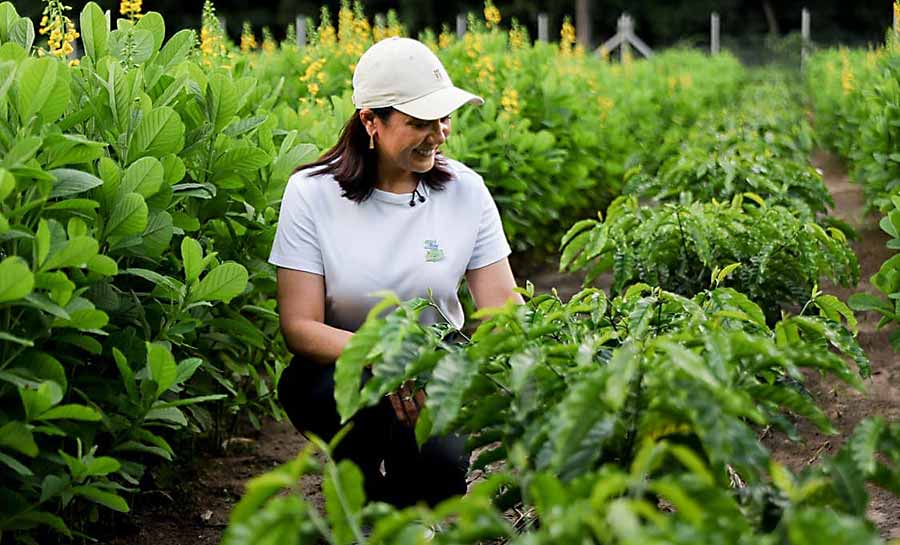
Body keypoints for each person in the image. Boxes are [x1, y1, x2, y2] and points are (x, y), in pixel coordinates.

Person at [269, 37, 523, 508]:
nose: (440, 133)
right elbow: (299, 327)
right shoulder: (311, 194)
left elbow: (502, 307)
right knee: (358, 409)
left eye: (444, 118)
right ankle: (359, 485)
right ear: (371, 122)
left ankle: (408, 505)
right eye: (420, 122)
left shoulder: (466, 191)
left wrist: (540, 364)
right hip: (339, 365)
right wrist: (387, 356)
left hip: (435, 365)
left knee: (441, 469)